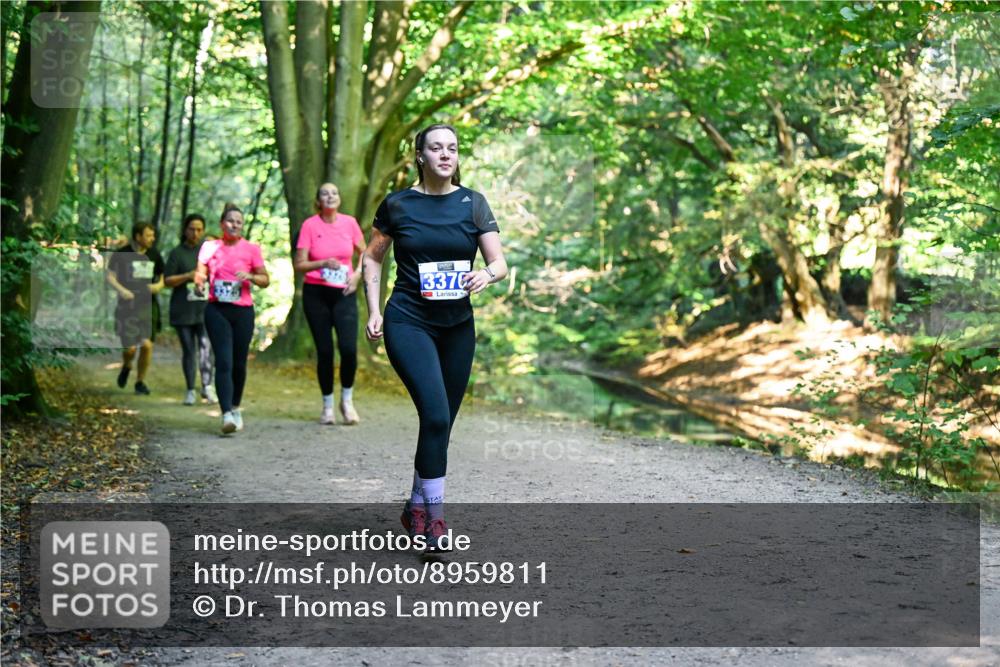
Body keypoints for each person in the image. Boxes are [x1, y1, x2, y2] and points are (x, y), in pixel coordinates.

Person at [362, 124, 508, 551]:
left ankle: (414, 507)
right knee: (437, 415)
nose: (446, 155)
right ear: (420, 156)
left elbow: (499, 263)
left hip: (457, 326)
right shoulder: (398, 204)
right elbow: (372, 258)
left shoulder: (473, 203)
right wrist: (374, 310)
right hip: (408, 321)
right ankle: (435, 522)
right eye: (436, 148)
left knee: (440, 423)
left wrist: (484, 273)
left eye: (453, 148)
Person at [293, 183, 365, 425]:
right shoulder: (309, 225)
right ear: (318, 201)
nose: (330, 196)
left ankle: (347, 401)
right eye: (325, 193)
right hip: (316, 294)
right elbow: (299, 264)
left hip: (344, 292)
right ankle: (327, 406)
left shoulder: (350, 223)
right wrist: (322, 263)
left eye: (334, 192)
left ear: (339, 199)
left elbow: (366, 253)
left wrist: (356, 276)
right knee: (325, 351)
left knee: (348, 349)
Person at [195, 203, 270, 434]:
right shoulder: (210, 246)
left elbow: (265, 279)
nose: (234, 225)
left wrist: (251, 276)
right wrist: (199, 285)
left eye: (238, 221)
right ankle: (226, 413)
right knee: (224, 361)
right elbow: (200, 273)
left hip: (243, 312)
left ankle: (236, 407)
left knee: (239, 362)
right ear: (222, 224)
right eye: (230, 221)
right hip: (217, 310)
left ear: (242, 226)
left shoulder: (251, 249)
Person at [107, 222, 165, 395]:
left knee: (147, 345)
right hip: (127, 306)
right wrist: (122, 290)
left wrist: (158, 286)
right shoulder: (121, 254)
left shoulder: (155, 254)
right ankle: (126, 365)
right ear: (138, 236)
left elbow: (162, 277)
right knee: (130, 348)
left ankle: (140, 382)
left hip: (148, 305)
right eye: (148, 235)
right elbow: (110, 276)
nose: (152, 239)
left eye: (153, 235)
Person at [164, 213, 216, 406]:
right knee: (189, 350)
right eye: (192, 229)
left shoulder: (208, 251)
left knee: (206, 348)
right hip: (182, 309)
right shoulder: (177, 253)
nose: (195, 233)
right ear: (185, 230)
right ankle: (189, 390)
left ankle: (207, 386)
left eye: (199, 229)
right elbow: (167, 280)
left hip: (204, 308)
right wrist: (188, 275)